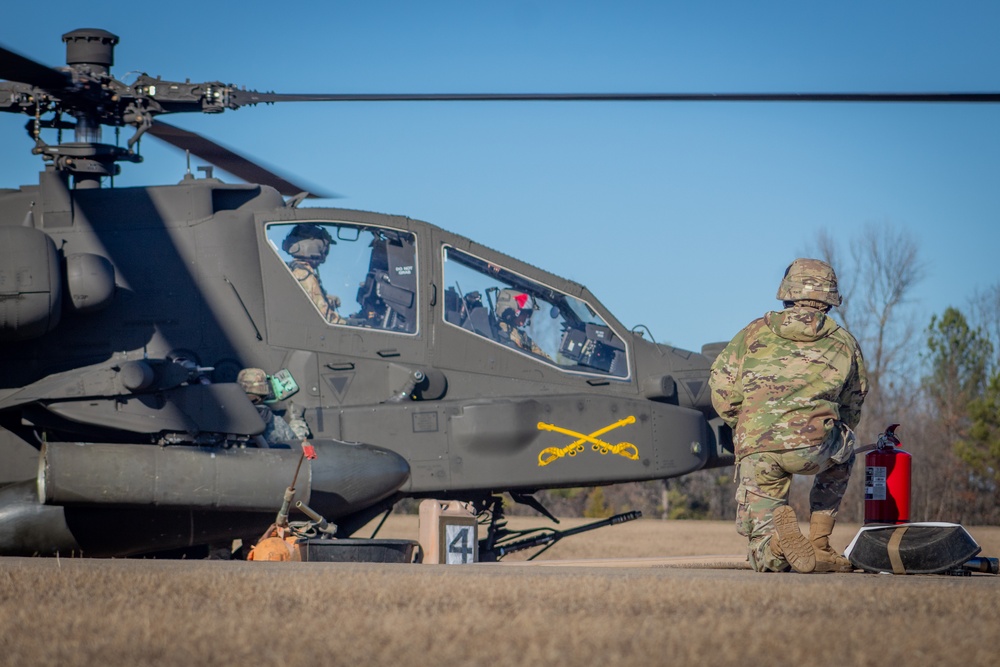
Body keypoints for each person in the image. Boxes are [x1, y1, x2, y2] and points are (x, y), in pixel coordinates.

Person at [709, 258, 868, 573]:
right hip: (816, 447)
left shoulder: (752, 333)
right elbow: (854, 403)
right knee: (845, 450)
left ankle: (777, 544)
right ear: (830, 299)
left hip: (758, 448)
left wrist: (743, 424)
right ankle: (820, 544)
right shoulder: (844, 343)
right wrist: (834, 430)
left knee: (761, 554)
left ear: (786, 293)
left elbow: (721, 389)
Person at [281, 224, 345, 324]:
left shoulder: (292, 270)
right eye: (325, 248)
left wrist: (327, 299)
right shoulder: (304, 275)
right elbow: (324, 317)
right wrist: (349, 323)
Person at [237, 368, 310, 446]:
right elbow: (296, 445)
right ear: (264, 395)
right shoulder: (276, 423)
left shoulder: (227, 420)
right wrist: (297, 420)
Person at [495, 289, 549, 358]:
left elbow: (543, 357)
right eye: (524, 313)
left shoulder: (523, 337)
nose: (526, 317)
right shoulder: (501, 332)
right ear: (513, 311)